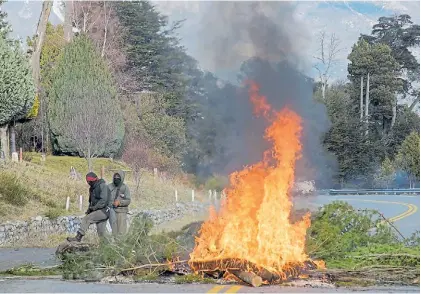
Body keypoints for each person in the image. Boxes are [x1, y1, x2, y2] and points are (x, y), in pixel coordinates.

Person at [67, 172, 112, 242]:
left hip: (104, 210)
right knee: (101, 232)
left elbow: (104, 200)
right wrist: (89, 209)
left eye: (90, 181)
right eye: (87, 181)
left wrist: (94, 208)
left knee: (86, 219)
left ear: (94, 180)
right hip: (98, 211)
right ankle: (107, 246)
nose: (88, 183)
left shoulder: (103, 186)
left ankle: (78, 237)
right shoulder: (91, 189)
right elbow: (91, 202)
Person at [108, 170, 131, 237]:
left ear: (121, 178)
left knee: (121, 232)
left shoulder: (125, 187)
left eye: (118, 178)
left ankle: (121, 245)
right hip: (111, 211)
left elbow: (128, 200)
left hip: (121, 212)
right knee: (114, 232)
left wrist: (119, 203)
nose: (116, 179)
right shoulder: (109, 187)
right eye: (115, 177)